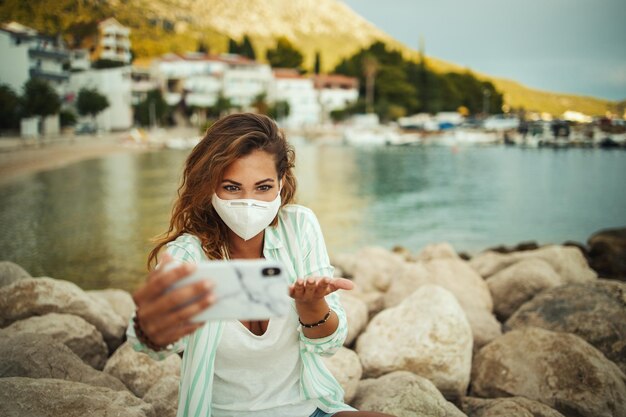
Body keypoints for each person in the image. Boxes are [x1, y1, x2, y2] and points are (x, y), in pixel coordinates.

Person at [126, 113, 395, 417]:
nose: (248, 202)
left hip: (309, 410)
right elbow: (146, 343)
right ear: (210, 187)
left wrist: (312, 306)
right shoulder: (188, 255)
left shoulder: (299, 227)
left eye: (263, 187)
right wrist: (153, 328)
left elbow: (329, 345)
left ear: (281, 182)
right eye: (232, 187)